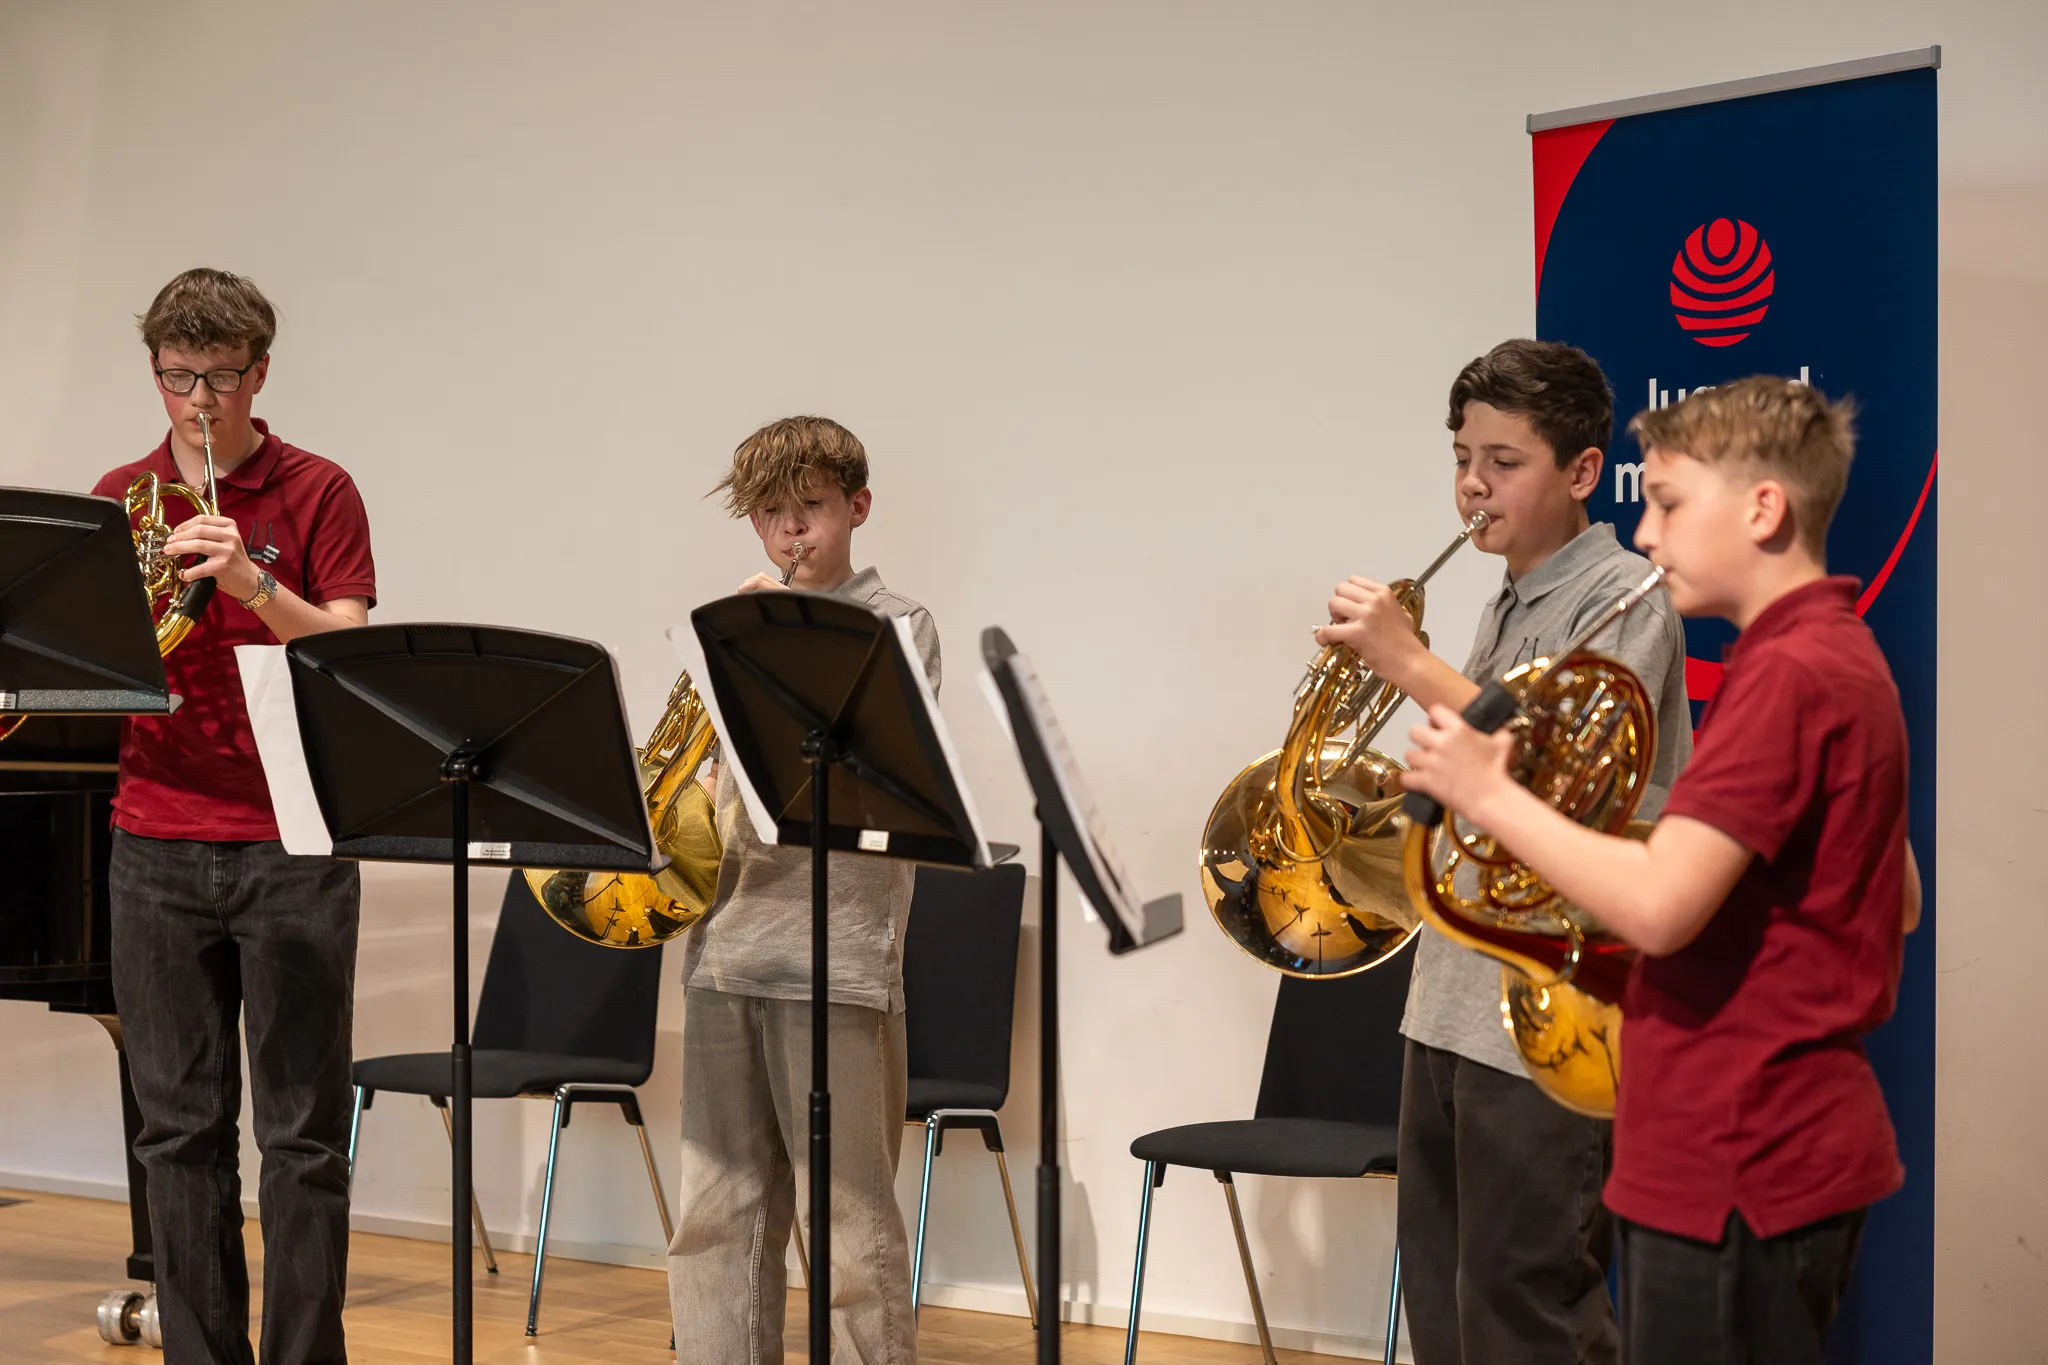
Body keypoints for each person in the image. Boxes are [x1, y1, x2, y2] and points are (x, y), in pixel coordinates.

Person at [1400, 376, 1917, 1363]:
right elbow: (1890, 895)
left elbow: (1657, 907)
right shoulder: (1833, 654)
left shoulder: (1791, 674)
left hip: (1738, 1150)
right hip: (1753, 1145)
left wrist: (1487, 790)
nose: (1646, 534)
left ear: (1762, 509)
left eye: (1669, 504)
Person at [1317, 339, 1691, 1364]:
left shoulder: (1622, 595)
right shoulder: (1503, 602)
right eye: (1458, 457)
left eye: (1502, 461)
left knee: (1527, 1306)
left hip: (1550, 1012)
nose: (1470, 486)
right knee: (1442, 1303)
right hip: (1447, 1001)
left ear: (1578, 472)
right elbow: (1493, 794)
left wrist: (1404, 660)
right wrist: (1400, 802)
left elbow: (1564, 768)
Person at [93, 268, 376, 1365]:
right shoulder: (123, 494)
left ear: (260, 373)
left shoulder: (317, 491)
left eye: (217, 377)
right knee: (176, 1135)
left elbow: (344, 657)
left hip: (293, 843)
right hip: (153, 838)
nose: (196, 401)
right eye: (176, 377)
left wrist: (253, 586)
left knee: (301, 1139)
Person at [666, 415, 936, 1364]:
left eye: (811, 508)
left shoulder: (899, 623)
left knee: (848, 1225)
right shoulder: (732, 627)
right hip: (724, 944)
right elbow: (711, 783)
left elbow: (866, 760)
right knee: (715, 1215)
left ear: (857, 507)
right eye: (771, 515)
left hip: (840, 961)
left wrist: (776, 641)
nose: (791, 534)